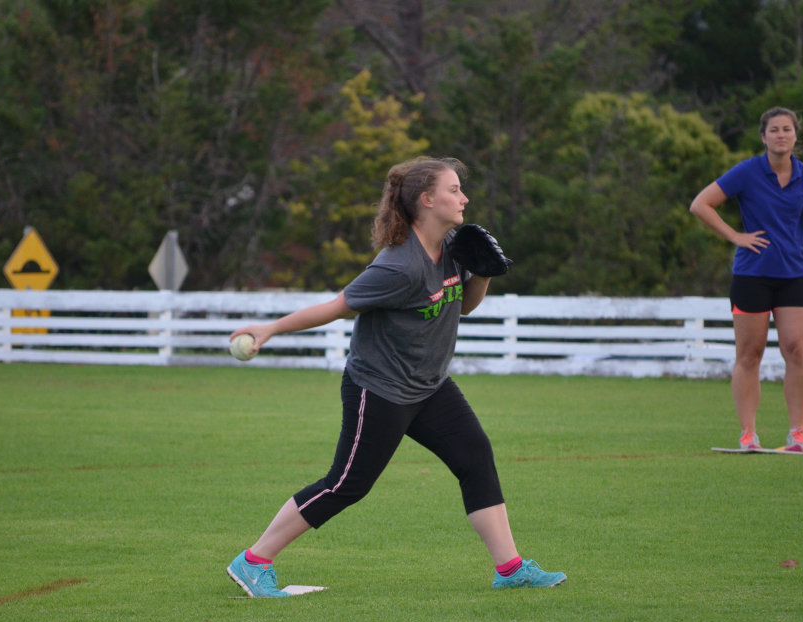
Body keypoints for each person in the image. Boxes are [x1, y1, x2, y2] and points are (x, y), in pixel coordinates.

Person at [225, 156, 566, 597]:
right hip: (380, 388)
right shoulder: (397, 266)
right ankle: (253, 560)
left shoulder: (452, 247)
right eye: (453, 190)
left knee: (475, 456)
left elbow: (463, 305)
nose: (464, 198)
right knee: (347, 484)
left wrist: (482, 273)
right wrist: (269, 328)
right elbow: (335, 307)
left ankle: (510, 568)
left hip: (429, 385)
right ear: (426, 200)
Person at [689, 107, 803, 452]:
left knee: (797, 350)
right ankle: (748, 435)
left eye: (787, 129)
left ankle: (797, 434)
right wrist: (735, 236)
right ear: (764, 137)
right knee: (750, 354)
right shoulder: (747, 171)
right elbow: (701, 204)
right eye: (774, 130)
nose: (781, 135)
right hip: (751, 276)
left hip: (793, 275)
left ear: (795, 136)